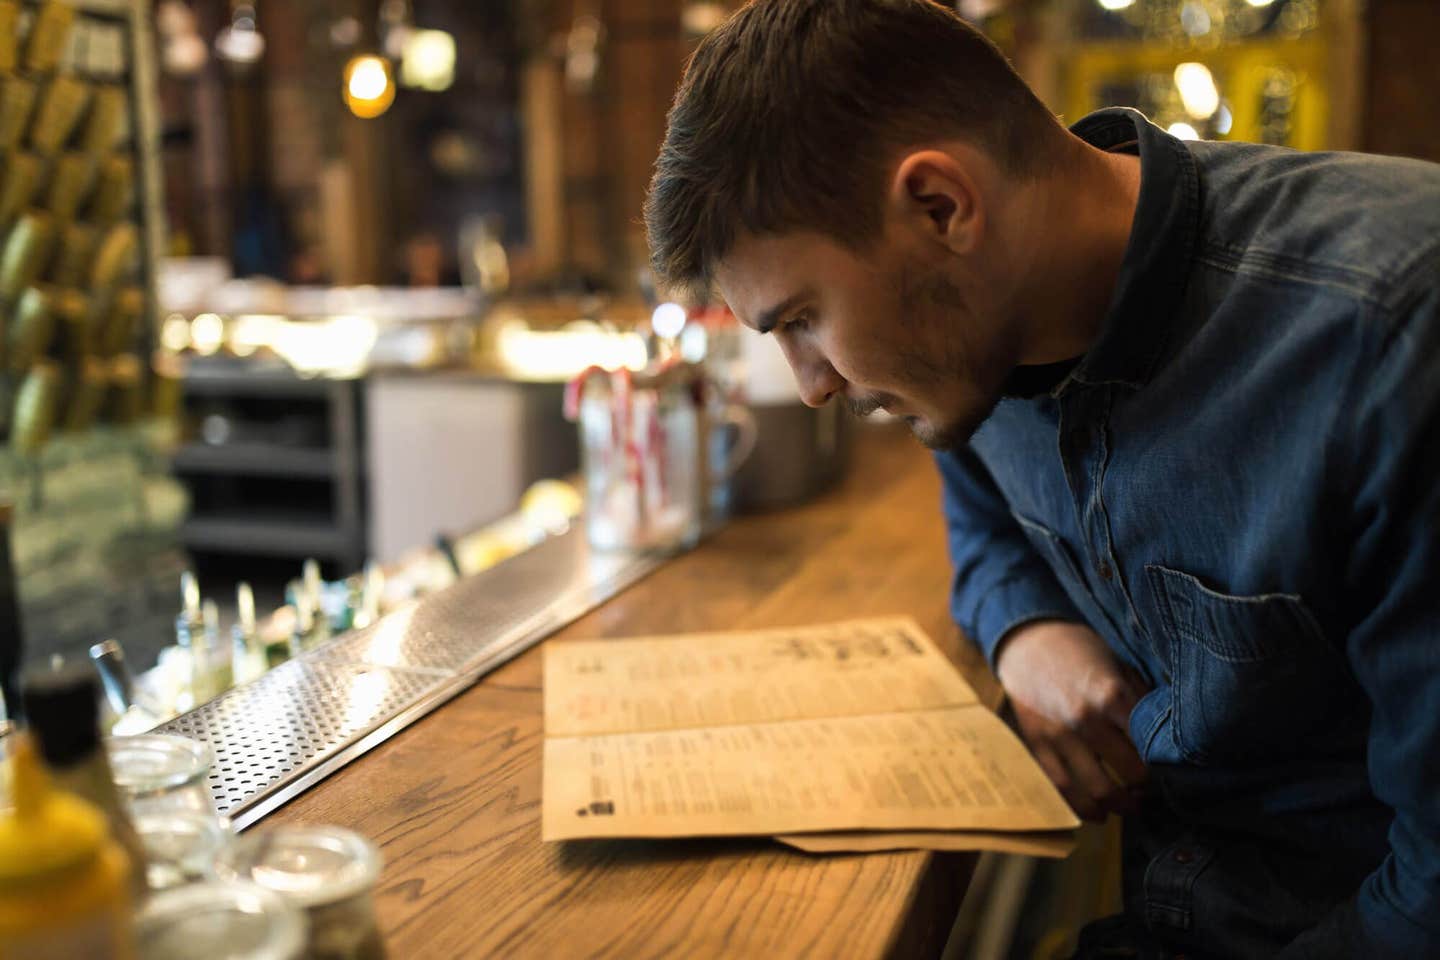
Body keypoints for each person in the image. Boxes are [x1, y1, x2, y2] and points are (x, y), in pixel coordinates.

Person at [642, 1, 1440, 956]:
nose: (810, 386)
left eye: (802, 318)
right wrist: (1023, 628)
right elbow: (980, 509)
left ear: (940, 206)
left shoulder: (1391, 333)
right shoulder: (981, 345)